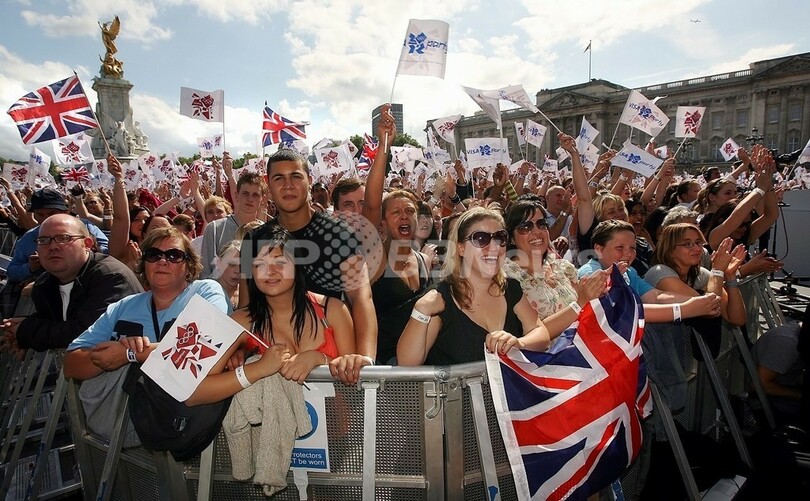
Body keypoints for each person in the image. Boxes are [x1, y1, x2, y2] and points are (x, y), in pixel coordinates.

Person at [243, 148, 377, 380]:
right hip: (271, 370)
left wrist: (364, 362)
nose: (287, 185)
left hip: (332, 364)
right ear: (268, 185)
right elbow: (247, 308)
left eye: (295, 176)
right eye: (278, 178)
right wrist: (240, 352)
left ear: (309, 180)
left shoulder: (339, 234)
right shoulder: (254, 240)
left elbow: (361, 298)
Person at [185, 224, 357, 404]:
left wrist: (318, 358)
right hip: (271, 431)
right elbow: (193, 393)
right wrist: (258, 368)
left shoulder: (333, 310)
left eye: (280, 262)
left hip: (338, 429)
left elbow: (354, 382)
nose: (270, 271)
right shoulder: (241, 322)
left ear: (297, 265)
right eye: (259, 264)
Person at [63, 227, 228, 380]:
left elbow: (206, 346)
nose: (162, 261)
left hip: (192, 406)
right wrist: (110, 356)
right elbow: (71, 364)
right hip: (135, 408)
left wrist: (129, 354)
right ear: (143, 263)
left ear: (189, 265)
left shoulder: (205, 291)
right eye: (153, 255)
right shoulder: (122, 307)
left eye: (174, 255)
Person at [397, 207, 553, 366]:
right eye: (480, 238)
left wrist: (519, 343)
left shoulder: (511, 288)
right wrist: (420, 312)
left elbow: (541, 334)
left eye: (500, 237)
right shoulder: (440, 299)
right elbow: (407, 363)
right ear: (461, 248)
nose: (494, 247)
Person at [1, 214, 142, 354]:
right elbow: (57, 325)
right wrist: (20, 335)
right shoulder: (44, 285)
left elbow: (86, 334)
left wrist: (25, 330)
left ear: (87, 244)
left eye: (64, 238)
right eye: (43, 240)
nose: (53, 246)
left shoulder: (111, 277)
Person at [5, 188, 109, 284]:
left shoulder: (85, 226)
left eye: (52, 213)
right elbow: (12, 272)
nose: (46, 218)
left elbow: (109, 252)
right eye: (40, 214)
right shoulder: (29, 238)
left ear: (65, 211)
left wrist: (83, 253)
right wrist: (30, 267)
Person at [200, 169, 267, 278]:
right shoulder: (215, 229)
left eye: (255, 195)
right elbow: (205, 272)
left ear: (262, 199)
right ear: (236, 195)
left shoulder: (266, 232)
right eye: (245, 194)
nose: (250, 199)